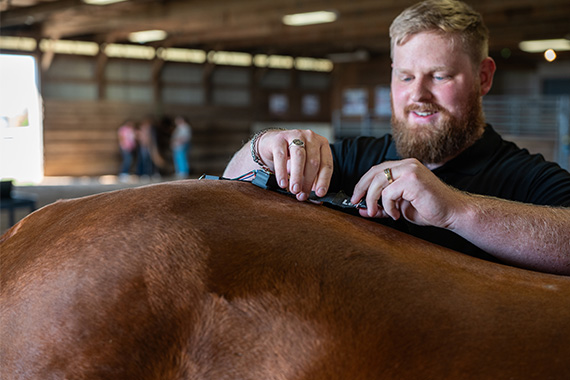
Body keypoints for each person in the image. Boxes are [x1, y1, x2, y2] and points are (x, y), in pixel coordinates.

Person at [224, 0, 570, 275]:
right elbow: (229, 192)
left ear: (483, 77)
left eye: (439, 76)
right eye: (405, 77)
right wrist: (263, 147)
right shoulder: (349, 160)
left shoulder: (529, 178)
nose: (418, 94)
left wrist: (456, 209)